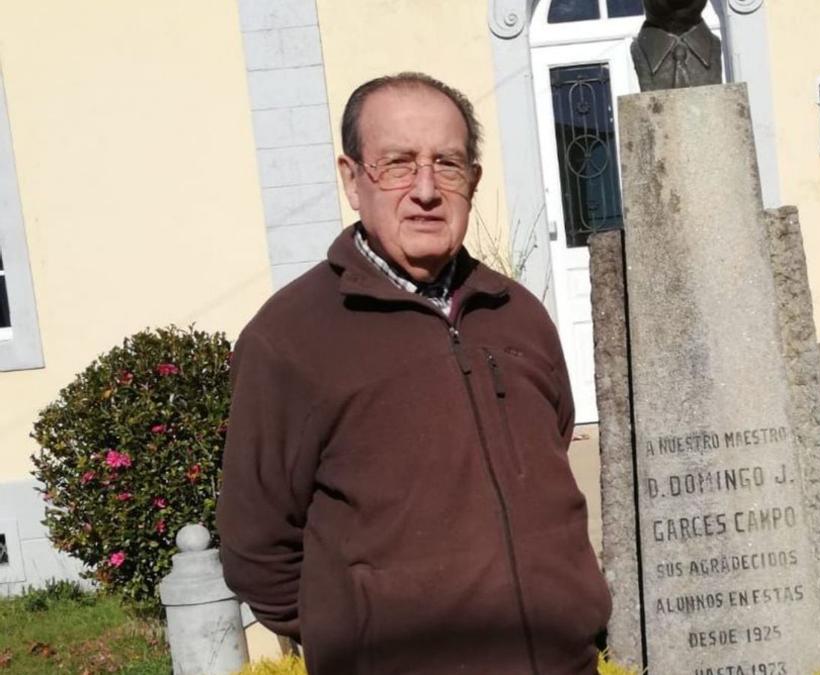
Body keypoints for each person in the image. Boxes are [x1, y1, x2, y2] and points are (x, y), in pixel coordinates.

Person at [216, 72, 612, 674]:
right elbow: (257, 550)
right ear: (352, 179)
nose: (426, 189)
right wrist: (361, 630)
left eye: (447, 165)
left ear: (472, 183)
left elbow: (552, 451)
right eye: (397, 164)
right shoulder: (290, 340)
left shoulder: (518, 315)